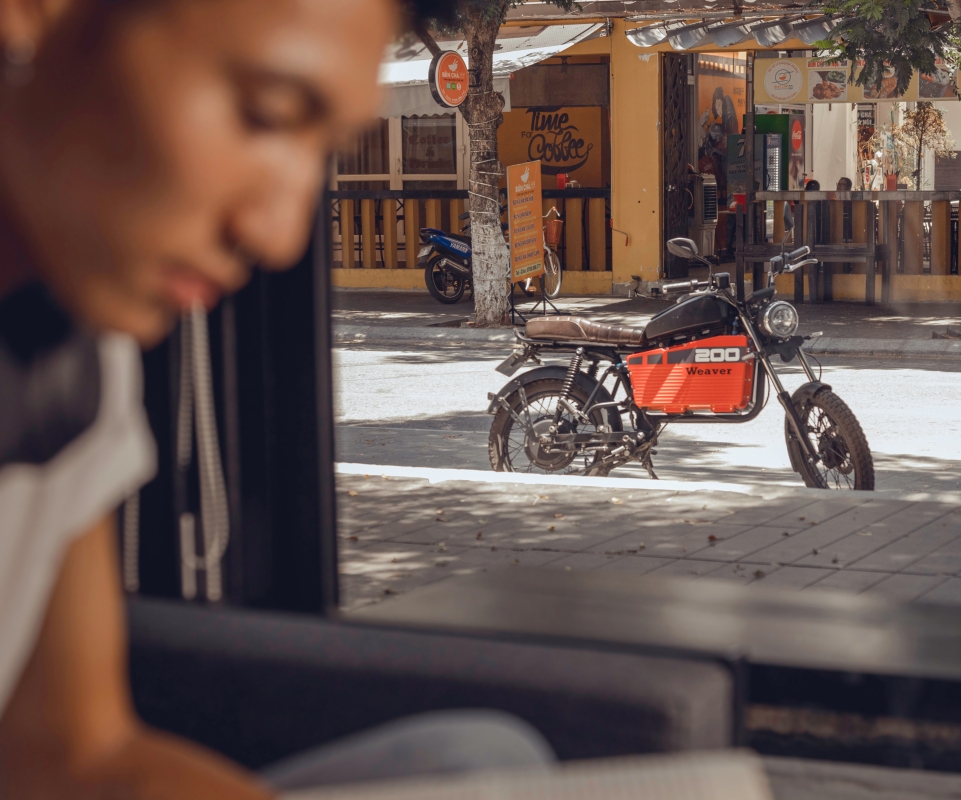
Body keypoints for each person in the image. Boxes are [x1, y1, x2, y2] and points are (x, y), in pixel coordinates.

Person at [0, 0, 550, 796]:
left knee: (486, 763)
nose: (280, 235)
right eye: (266, 113)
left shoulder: (72, 344)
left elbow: (73, 751)